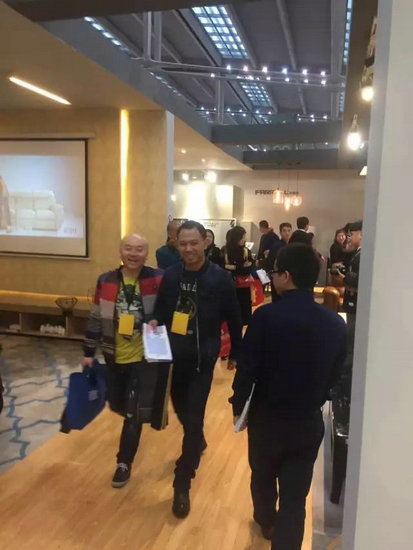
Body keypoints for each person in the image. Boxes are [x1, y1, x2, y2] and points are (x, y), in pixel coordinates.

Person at [230, 244, 347, 549]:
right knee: (295, 497)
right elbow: (337, 375)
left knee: (263, 476)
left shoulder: (265, 317)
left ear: (286, 276)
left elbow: (247, 368)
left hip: (267, 418)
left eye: (275, 272)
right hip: (307, 420)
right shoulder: (335, 324)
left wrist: (238, 405)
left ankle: (266, 520)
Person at [151, 220, 242, 519]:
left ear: (205, 242)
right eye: (183, 243)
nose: (188, 249)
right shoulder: (172, 275)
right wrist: (154, 325)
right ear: (176, 244)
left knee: (193, 418)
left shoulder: (219, 278)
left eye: (194, 242)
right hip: (174, 359)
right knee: (182, 409)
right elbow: (161, 311)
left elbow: (234, 316)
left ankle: (182, 482)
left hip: (203, 360)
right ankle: (197, 438)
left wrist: (236, 354)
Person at [83, 233, 168, 488]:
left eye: (139, 249)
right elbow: (96, 317)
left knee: (133, 413)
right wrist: (88, 352)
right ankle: (130, 418)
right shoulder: (106, 280)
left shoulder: (157, 278)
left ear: (147, 253)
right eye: (129, 248)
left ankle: (123, 462)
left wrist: (157, 319)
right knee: (117, 404)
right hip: (113, 354)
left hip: (144, 356)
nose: (133, 253)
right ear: (121, 252)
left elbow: (168, 308)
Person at [223, 225, 255, 326]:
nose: (244, 239)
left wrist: (233, 267)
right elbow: (222, 267)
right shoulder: (225, 250)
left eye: (244, 237)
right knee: (231, 315)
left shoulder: (245, 251)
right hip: (229, 286)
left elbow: (250, 267)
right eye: (242, 237)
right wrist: (240, 267)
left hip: (244, 286)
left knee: (243, 314)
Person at [266, 222, 292, 302]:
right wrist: (271, 275)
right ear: (280, 232)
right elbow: (270, 261)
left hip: (289, 277)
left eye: (289, 230)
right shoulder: (276, 246)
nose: (287, 233)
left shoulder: (292, 245)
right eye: (284, 231)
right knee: (277, 299)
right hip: (278, 275)